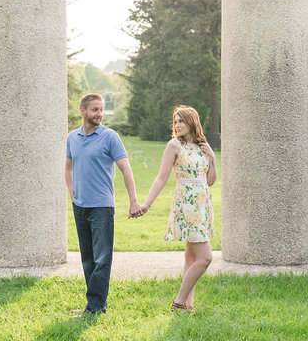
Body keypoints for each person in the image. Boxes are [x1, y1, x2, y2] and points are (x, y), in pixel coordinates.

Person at [65, 92, 142, 317]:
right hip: (80, 206)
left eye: (101, 110)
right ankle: (94, 305)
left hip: (102, 207)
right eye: (95, 109)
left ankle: (95, 307)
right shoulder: (72, 137)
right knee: (87, 259)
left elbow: (126, 169)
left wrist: (133, 200)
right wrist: (72, 192)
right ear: (83, 111)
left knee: (101, 260)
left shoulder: (110, 137)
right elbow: (68, 168)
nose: (99, 114)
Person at [137, 105, 217, 312]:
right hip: (187, 204)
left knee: (191, 257)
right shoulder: (174, 145)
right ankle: (179, 302)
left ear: (192, 122)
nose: (178, 125)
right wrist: (146, 204)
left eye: (181, 121)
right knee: (205, 257)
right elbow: (162, 177)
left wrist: (213, 159)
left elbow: (210, 181)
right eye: (175, 121)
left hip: (202, 204)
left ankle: (187, 305)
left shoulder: (202, 146)